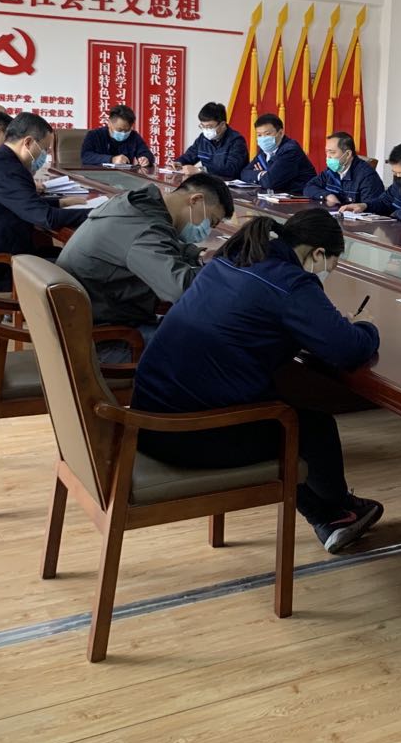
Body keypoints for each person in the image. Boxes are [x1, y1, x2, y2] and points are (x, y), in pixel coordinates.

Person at [132, 209, 385, 552]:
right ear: (318, 254)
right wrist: (366, 326)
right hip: (187, 434)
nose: (328, 272)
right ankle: (340, 511)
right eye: (332, 264)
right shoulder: (290, 283)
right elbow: (348, 350)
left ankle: (330, 517)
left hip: (148, 415)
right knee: (312, 428)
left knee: (285, 415)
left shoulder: (234, 259)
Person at [56, 173, 234, 353]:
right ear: (195, 200)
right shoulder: (145, 228)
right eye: (210, 221)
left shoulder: (137, 206)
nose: (207, 230)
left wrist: (198, 255)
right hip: (103, 341)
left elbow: (155, 243)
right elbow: (181, 289)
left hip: (86, 323)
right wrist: (225, 269)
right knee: (215, 349)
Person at [0, 113, 90, 290]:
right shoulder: (7, 170)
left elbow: (24, 203)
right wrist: (95, 213)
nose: (45, 155)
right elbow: (47, 218)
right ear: (28, 142)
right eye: (45, 149)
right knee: (83, 266)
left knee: (68, 256)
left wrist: (61, 203)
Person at [302, 131, 387, 207]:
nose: (328, 157)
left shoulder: (367, 176)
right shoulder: (331, 171)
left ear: (348, 154)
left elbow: (372, 209)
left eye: (332, 152)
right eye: (326, 152)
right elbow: (308, 187)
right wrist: (327, 195)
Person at [240, 113, 317, 194]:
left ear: (280, 133)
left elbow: (270, 182)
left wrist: (263, 176)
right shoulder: (264, 151)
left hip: (300, 197)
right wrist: (261, 174)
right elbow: (244, 173)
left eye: (267, 134)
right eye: (259, 135)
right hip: (277, 196)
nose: (263, 138)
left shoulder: (291, 150)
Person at [176, 101, 248, 180]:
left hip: (230, 185)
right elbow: (189, 156)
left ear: (222, 124)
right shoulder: (203, 138)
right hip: (209, 183)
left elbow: (231, 170)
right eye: (203, 126)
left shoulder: (236, 141)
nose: (206, 130)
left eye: (209, 127)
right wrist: (178, 163)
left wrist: (200, 170)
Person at [81, 105, 154, 167]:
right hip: (98, 175)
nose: (123, 133)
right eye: (119, 130)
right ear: (109, 123)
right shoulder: (94, 135)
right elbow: (86, 156)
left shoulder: (134, 136)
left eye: (127, 130)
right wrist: (112, 159)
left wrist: (145, 158)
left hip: (125, 176)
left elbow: (147, 153)